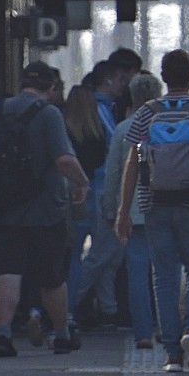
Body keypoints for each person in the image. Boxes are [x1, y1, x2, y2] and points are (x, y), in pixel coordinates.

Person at [116, 51, 189, 373]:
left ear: (164, 78)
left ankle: (172, 354)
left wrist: (124, 209)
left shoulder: (146, 112)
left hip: (155, 204)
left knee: (164, 275)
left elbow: (133, 162)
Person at [0, 61, 89, 357]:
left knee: (9, 269)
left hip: (6, 205)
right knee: (51, 275)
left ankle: (3, 333)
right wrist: (82, 182)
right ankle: (61, 333)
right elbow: (63, 159)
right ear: (52, 88)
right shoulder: (48, 114)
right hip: (44, 209)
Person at [97, 71, 164, 349]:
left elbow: (113, 173)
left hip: (134, 212)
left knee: (137, 273)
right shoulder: (170, 127)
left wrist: (110, 209)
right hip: (165, 209)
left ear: (133, 97)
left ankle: (143, 332)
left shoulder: (124, 129)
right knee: (166, 272)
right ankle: (168, 327)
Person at [62, 81, 113, 329]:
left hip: (67, 193)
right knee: (96, 254)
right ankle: (77, 308)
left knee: (70, 254)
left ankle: (62, 308)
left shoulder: (63, 130)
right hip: (92, 191)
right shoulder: (98, 133)